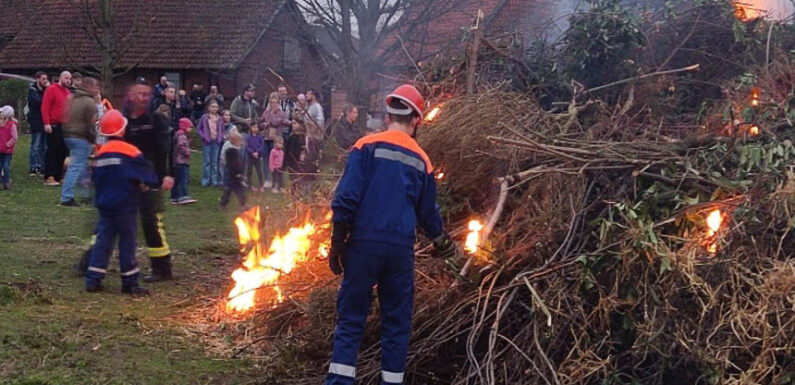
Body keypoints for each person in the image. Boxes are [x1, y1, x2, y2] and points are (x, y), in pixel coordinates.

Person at [324, 84, 455, 385]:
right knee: (396, 325)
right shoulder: (422, 160)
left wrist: (337, 241)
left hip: (363, 246)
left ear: (388, 116)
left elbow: (346, 198)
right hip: (399, 251)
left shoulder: (365, 146)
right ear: (417, 120)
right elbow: (427, 213)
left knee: (351, 320)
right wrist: (441, 240)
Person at [85, 110, 159, 296]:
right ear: (122, 129)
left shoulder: (100, 153)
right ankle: (130, 282)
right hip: (125, 205)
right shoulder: (130, 151)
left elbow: (96, 179)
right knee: (127, 242)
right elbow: (147, 173)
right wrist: (147, 184)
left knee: (103, 241)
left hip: (105, 204)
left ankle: (93, 279)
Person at [123, 84, 176, 282]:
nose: (144, 98)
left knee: (151, 222)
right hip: (130, 178)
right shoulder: (127, 121)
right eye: (140, 94)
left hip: (152, 178)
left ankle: (162, 268)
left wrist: (168, 174)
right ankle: (93, 262)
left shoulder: (156, 120)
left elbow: (167, 149)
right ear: (131, 97)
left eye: (147, 95)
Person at [60, 77, 100, 206]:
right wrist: (93, 140)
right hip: (81, 137)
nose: (97, 89)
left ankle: (85, 194)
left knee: (82, 166)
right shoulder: (89, 102)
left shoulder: (70, 98)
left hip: (67, 135)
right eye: (96, 86)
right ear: (89, 87)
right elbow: (92, 123)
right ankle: (66, 197)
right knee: (76, 166)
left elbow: (64, 115)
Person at [41, 71, 72, 186]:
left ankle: (58, 175)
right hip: (53, 124)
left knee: (63, 151)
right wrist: (46, 123)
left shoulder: (68, 92)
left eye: (70, 78)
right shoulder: (52, 89)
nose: (68, 80)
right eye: (66, 78)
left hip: (64, 125)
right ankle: (49, 175)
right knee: (52, 150)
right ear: (60, 77)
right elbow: (45, 106)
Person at [260, 92, 290, 188]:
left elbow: (275, 122)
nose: (274, 104)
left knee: (276, 160)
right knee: (266, 159)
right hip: (266, 138)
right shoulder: (267, 112)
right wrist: (263, 124)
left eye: (276, 102)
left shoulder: (281, 113)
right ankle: (267, 180)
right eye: (272, 102)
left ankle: (276, 181)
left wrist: (269, 119)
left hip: (275, 139)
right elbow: (261, 121)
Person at [195, 100, 224, 187]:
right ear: (209, 108)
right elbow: (199, 129)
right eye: (213, 107)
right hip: (207, 142)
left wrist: (220, 138)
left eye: (216, 107)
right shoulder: (204, 117)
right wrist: (204, 137)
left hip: (216, 142)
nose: (214, 108)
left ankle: (214, 179)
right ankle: (206, 179)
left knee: (214, 162)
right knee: (206, 162)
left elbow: (222, 130)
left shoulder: (220, 118)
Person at [171, 118, 197, 205]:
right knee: (183, 179)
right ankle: (183, 196)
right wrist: (187, 152)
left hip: (177, 161)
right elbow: (181, 146)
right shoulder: (182, 135)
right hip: (182, 161)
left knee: (177, 180)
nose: (191, 129)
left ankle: (174, 197)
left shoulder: (180, 135)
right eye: (190, 127)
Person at [27, 71, 48, 176]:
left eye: (46, 79)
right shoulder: (32, 90)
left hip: (45, 121)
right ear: (38, 79)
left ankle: (42, 166)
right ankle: (33, 166)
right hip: (36, 121)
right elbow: (36, 102)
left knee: (44, 146)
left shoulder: (46, 90)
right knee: (35, 145)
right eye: (43, 79)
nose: (45, 81)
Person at [220, 127, 246, 210]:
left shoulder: (236, 151)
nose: (241, 143)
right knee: (231, 190)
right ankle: (224, 204)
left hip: (233, 175)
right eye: (240, 141)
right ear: (235, 141)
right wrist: (237, 173)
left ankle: (242, 204)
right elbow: (232, 165)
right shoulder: (231, 152)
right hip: (232, 175)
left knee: (237, 190)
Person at [284, 118, 306, 196]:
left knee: (299, 178)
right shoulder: (291, 136)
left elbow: (303, 149)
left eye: (295, 123)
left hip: (299, 161)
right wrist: (284, 162)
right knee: (292, 178)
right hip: (291, 161)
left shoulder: (302, 137)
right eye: (292, 123)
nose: (293, 125)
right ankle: (293, 193)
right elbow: (287, 150)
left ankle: (300, 193)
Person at [0, 106, 18, 190]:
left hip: (7, 150)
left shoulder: (11, 125)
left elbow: (14, 137)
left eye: (2, 112)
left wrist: (8, 145)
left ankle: (6, 182)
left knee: (6, 166)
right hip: (0, 149)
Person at [245, 123, 265, 192]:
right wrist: (252, 152)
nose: (255, 128)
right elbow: (247, 146)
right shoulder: (248, 137)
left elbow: (262, 145)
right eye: (254, 127)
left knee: (259, 171)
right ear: (251, 128)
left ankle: (261, 185)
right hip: (250, 156)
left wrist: (257, 152)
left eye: (256, 127)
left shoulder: (260, 136)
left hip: (257, 156)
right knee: (249, 171)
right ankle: (250, 185)